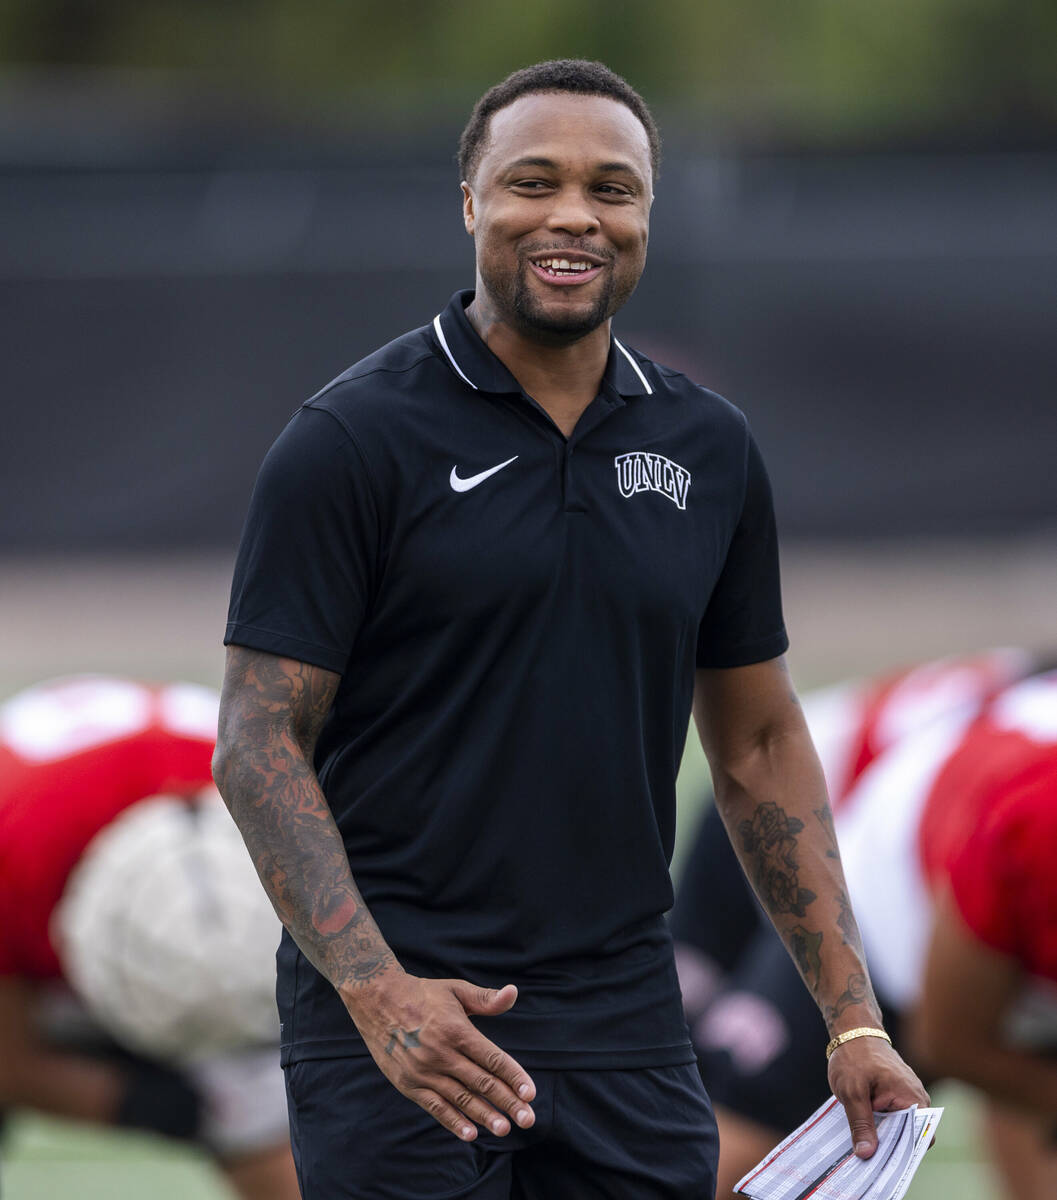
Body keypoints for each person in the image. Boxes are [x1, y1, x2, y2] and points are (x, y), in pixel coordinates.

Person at [213, 58, 926, 1199]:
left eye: (612, 189)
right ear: (470, 204)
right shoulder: (348, 440)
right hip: (407, 1026)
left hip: (629, 1023)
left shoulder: (711, 450)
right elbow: (257, 744)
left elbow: (754, 747)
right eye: (531, 183)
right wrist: (375, 992)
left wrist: (849, 1023)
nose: (572, 218)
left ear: (645, 214)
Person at [672, 653, 1057, 1200]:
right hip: (820, 841)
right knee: (730, 1143)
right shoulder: (1031, 825)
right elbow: (951, 1036)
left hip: (930, 836)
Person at [0, 674, 300, 1200]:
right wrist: (129, 1100)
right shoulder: (13, 858)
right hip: (31, 925)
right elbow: (9, 1059)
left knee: (273, 1120)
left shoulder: (288, 793)